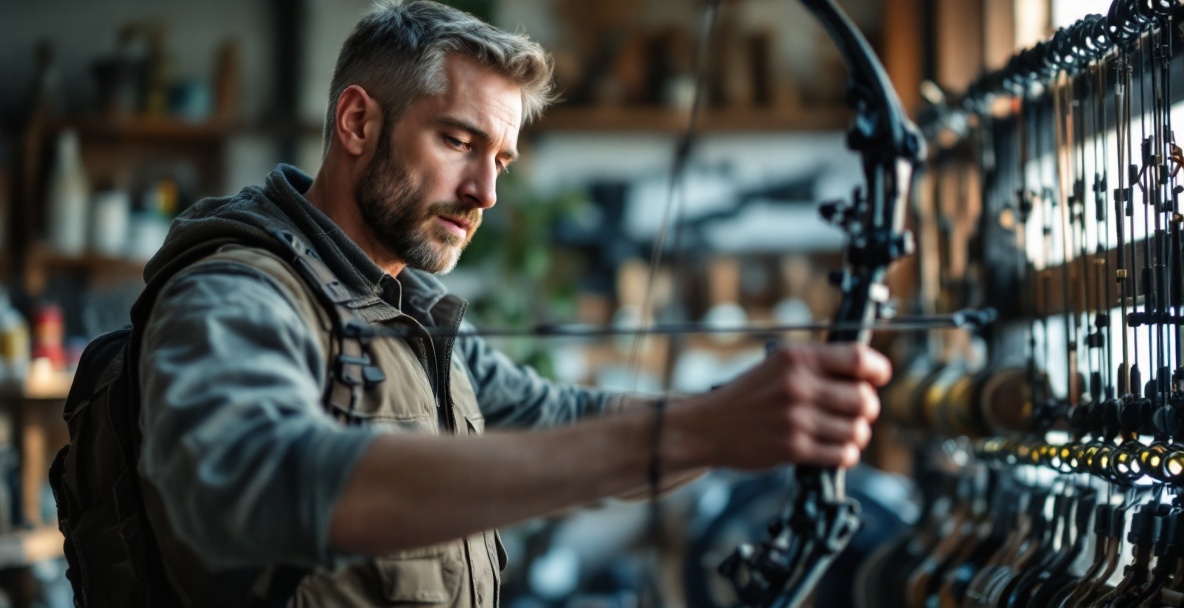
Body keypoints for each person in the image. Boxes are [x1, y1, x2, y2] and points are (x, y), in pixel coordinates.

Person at [135, 0, 890, 605]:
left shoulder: (408, 311)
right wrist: (700, 430)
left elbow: (560, 417)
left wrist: (739, 416)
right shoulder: (237, 291)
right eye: (459, 141)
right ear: (358, 122)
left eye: (500, 160)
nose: (486, 194)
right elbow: (253, 477)